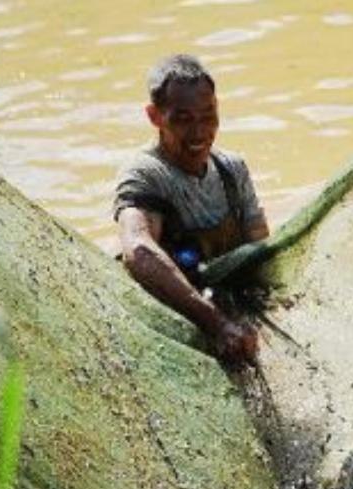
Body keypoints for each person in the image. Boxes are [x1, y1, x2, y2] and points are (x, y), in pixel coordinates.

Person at [113, 54, 267, 365]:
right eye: (183, 119)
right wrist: (217, 324)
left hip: (234, 325)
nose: (199, 133)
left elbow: (261, 250)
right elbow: (138, 249)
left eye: (208, 116)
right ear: (155, 116)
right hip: (175, 339)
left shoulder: (231, 171)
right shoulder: (145, 174)